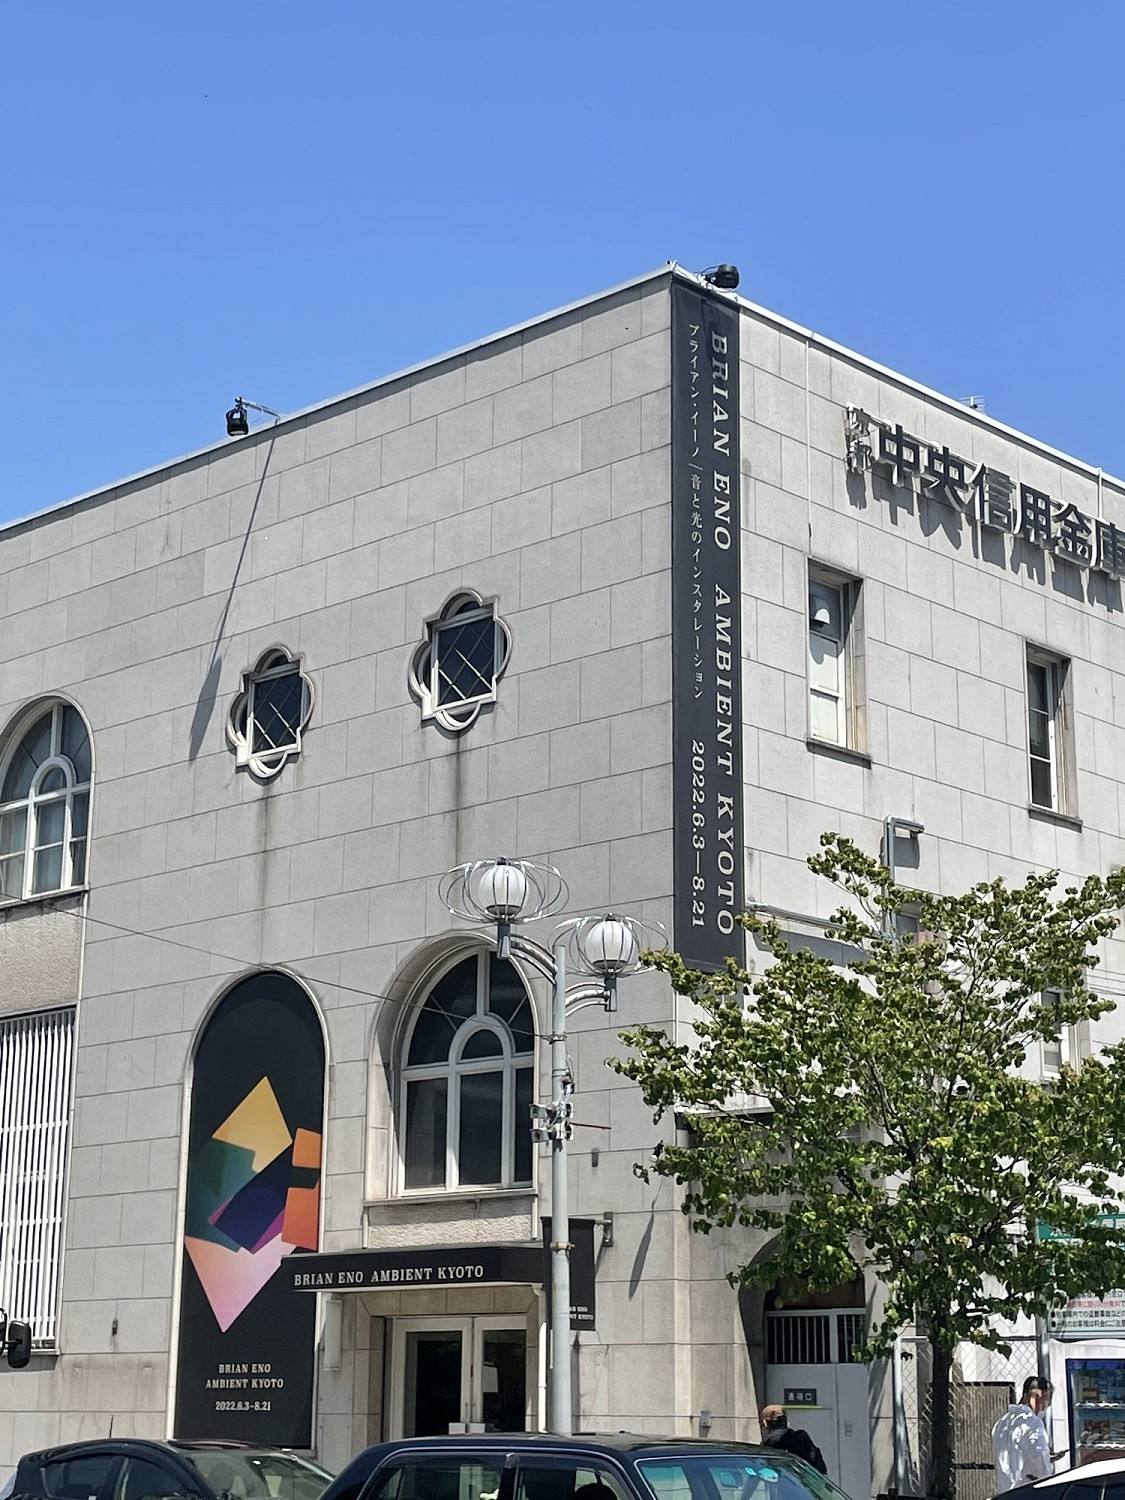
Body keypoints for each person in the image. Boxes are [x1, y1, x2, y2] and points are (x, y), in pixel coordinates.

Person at [991, 1376, 1055, 1492]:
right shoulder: (1033, 1423)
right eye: (1047, 1400)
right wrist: (1047, 1479)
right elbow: (1039, 1455)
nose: (1047, 1406)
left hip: (1004, 1491)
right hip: (1027, 1490)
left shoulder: (1002, 1422)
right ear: (1039, 1397)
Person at [759, 1404, 828, 1474]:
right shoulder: (802, 1439)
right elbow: (821, 1468)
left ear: (765, 1424)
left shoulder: (769, 1445)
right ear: (786, 1422)